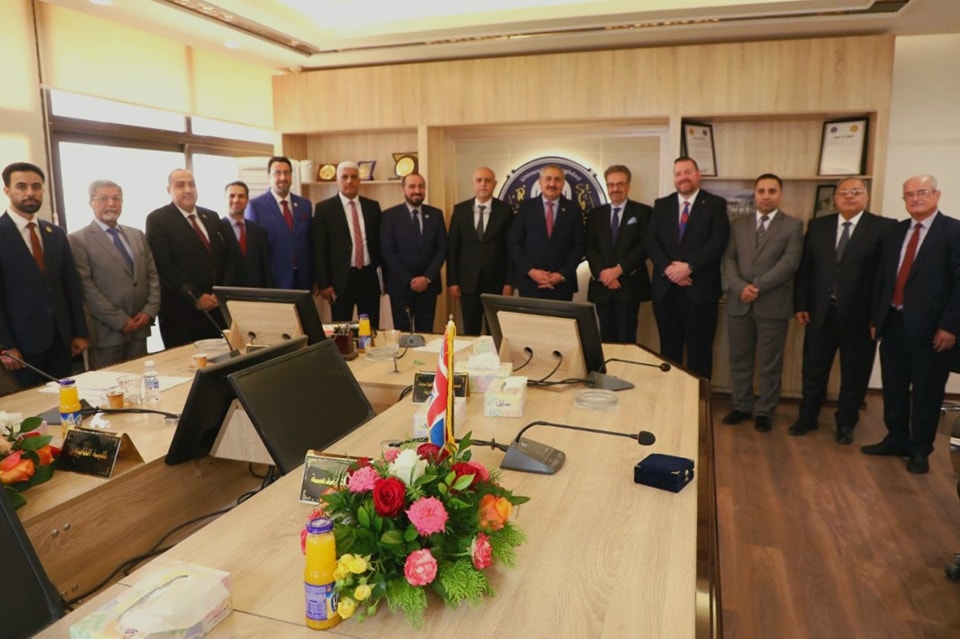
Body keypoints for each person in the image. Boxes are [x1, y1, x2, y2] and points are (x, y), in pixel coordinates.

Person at [862, 175, 960, 474]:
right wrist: (877, 318)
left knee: (927, 392)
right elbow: (883, 279)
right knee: (893, 387)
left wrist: (950, 326)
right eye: (909, 194)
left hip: (933, 329)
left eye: (922, 192)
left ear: (937, 195)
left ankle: (920, 449)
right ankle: (896, 438)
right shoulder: (896, 231)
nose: (915, 198)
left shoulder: (953, 231)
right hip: (893, 322)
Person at [791, 177, 895, 443]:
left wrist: (878, 317)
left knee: (854, 375)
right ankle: (807, 417)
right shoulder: (818, 226)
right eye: (844, 192)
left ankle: (846, 423)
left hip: (861, 318)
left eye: (856, 192)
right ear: (835, 198)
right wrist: (801, 304)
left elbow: (886, 278)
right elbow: (806, 269)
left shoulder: (884, 228)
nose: (850, 196)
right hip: (820, 313)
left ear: (866, 197)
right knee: (813, 371)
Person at [720, 174, 803, 432]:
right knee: (739, 359)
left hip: (772, 305)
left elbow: (789, 263)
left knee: (770, 363)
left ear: (780, 194)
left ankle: (766, 410)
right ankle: (741, 406)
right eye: (761, 191)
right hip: (739, 303)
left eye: (772, 191)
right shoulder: (738, 224)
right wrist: (739, 287)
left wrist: (757, 286)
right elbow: (729, 258)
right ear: (755, 194)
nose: (766, 196)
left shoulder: (793, 225)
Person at [0, 162, 88, 387]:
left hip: (60, 339)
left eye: (36, 186)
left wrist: (79, 332)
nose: (30, 192)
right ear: (7, 190)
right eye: (21, 186)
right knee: (28, 405)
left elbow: (70, 285)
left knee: (65, 398)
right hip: (21, 345)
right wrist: (5, 346)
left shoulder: (55, 233)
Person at [645, 156, 729, 379]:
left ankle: (699, 399)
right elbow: (651, 241)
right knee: (668, 352)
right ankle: (670, 397)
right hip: (666, 292)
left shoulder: (715, 205)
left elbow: (718, 242)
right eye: (678, 173)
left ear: (698, 175)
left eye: (688, 172)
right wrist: (669, 269)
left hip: (700, 290)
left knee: (699, 353)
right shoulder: (661, 205)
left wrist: (689, 267)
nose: (683, 177)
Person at [68, 179, 161, 369]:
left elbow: (152, 275)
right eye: (103, 198)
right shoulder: (78, 240)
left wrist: (148, 311)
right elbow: (87, 288)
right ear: (91, 203)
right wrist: (120, 320)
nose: (111, 203)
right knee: (108, 384)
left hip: (140, 327)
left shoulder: (137, 235)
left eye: (116, 198)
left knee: (141, 380)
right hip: (106, 333)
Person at [146, 169, 230, 348]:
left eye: (192, 184)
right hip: (181, 311)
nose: (188, 190)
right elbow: (164, 264)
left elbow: (223, 258)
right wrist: (196, 297)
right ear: (169, 190)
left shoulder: (211, 216)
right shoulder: (158, 219)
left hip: (216, 308)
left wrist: (219, 294)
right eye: (180, 185)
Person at [585, 165, 652, 343]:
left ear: (628, 185)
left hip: (629, 286)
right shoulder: (595, 215)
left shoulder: (643, 212)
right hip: (602, 286)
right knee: (605, 339)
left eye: (620, 184)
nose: (615, 189)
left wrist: (618, 270)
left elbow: (645, 246)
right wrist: (604, 274)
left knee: (627, 338)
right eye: (611, 184)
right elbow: (589, 248)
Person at [313, 161, 383, 328]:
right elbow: (319, 249)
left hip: (368, 277)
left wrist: (384, 278)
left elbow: (379, 244)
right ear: (337, 181)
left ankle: (368, 346)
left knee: (370, 327)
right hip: (339, 281)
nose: (349, 181)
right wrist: (324, 284)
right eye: (344, 177)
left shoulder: (372, 207)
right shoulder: (324, 209)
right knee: (342, 328)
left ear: (359, 180)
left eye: (354, 177)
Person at [447, 166, 513, 335]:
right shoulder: (460, 210)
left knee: (495, 331)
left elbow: (511, 249)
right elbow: (453, 248)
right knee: (470, 330)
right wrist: (452, 281)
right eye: (479, 180)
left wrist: (509, 282)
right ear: (473, 184)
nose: (483, 184)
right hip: (467, 282)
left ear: (494, 184)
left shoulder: (505, 210)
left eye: (487, 180)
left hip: (497, 282)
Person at [380, 173, 447, 333]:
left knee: (426, 333)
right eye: (412, 186)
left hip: (428, 287)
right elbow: (388, 251)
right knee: (403, 335)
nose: (417, 190)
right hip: (400, 287)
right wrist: (410, 279)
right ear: (403, 189)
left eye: (421, 186)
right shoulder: (389, 216)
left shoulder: (436, 215)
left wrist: (427, 278)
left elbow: (442, 249)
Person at [508, 164, 584, 301]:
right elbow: (514, 243)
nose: (552, 184)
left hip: (562, 285)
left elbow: (579, 246)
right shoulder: (526, 207)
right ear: (540, 182)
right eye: (548, 179)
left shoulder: (573, 209)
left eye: (557, 180)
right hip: (530, 282)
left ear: (563, 183)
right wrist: (531, 271)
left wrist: (562, 274)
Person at [244, 156, 313, 290]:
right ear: (268, 176)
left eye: (286, 173)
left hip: (303, 278)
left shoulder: (305, 205)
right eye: (277, 173)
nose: (283, 177)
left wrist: (315, 278)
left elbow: (310, 241)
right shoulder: (255, 206)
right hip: (274, 280)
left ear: (291, 176)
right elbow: (253, 250)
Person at [221, 181, 272, 288]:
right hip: (228, 292)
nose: (236, 200)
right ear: (225, 199)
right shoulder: (216, 229)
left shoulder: (259, 231)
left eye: (241, 196)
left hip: (256, 291)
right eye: (232, 196)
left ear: (247, 200)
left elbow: (265, 267)